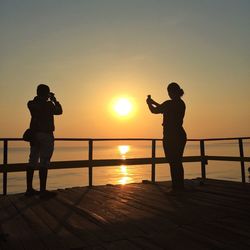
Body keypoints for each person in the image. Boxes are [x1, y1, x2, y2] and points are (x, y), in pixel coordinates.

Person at [146, 82, 187, 191]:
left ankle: (176, 188)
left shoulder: (169, 104)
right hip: (180, 134)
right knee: (177, 161)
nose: (168, 94)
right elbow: (162, 107)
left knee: (173, 162)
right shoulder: (181, 103)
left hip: (171, 136)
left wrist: (149, 103)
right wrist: (153, 102)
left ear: (172, 92)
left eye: (169, 92)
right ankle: (179, 186)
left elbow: (155, 110)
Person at [25, 84, 63, 198]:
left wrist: (48, 99)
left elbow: (36, 107)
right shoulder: (49, 105)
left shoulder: (31, 103)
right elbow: (60, 111)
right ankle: (42, 191)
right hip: (46, 135)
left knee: (32, 161)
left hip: (35, 135)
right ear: (46, 93)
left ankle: (29, 189)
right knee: (44, 162)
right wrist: (54, 100)